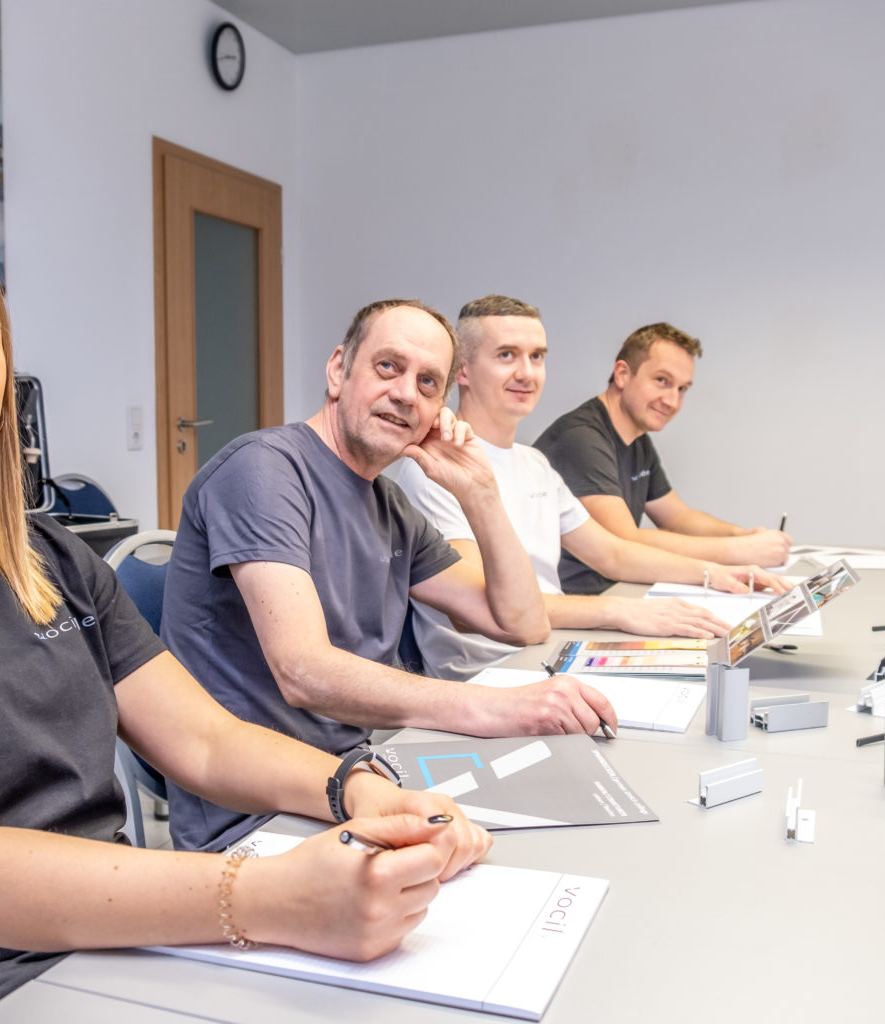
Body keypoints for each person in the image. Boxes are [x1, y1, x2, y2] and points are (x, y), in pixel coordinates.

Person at [0, 206, 490, 1024]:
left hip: (103, 952)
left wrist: (353, 787)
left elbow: (205, 742)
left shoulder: (48, 559)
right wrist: (267, 897)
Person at [161, 298, 618, 853]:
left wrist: (478, 492)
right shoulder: (264, 469)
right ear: (338, 370)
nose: (406, 394)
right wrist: (495, 707)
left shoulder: (389, 504)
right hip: (257, 817)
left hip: (361, 778)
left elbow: (522, 623)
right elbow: (303, 670)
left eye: (428, 383)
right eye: (388, 366)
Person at [391, 295, 786, 680]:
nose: (527, 373)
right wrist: (620, 611)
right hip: (494, 671)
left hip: (553, 644)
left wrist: (715, 574)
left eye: (537, 356)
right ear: (461, 370)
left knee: (714, 662)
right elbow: (487, 607)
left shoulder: (535, 464)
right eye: (507, 355)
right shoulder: (436, 468)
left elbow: (611, 553)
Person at [534, 322, 794, 595]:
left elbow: (678, 518)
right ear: (622, 374)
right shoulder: (581, 438)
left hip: (613, 591)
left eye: (682, 389)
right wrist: (740, 551)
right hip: (570, 600)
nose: (672, 401)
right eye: (662, 381)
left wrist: (742, 535)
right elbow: (625, 541)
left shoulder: (637, 440)